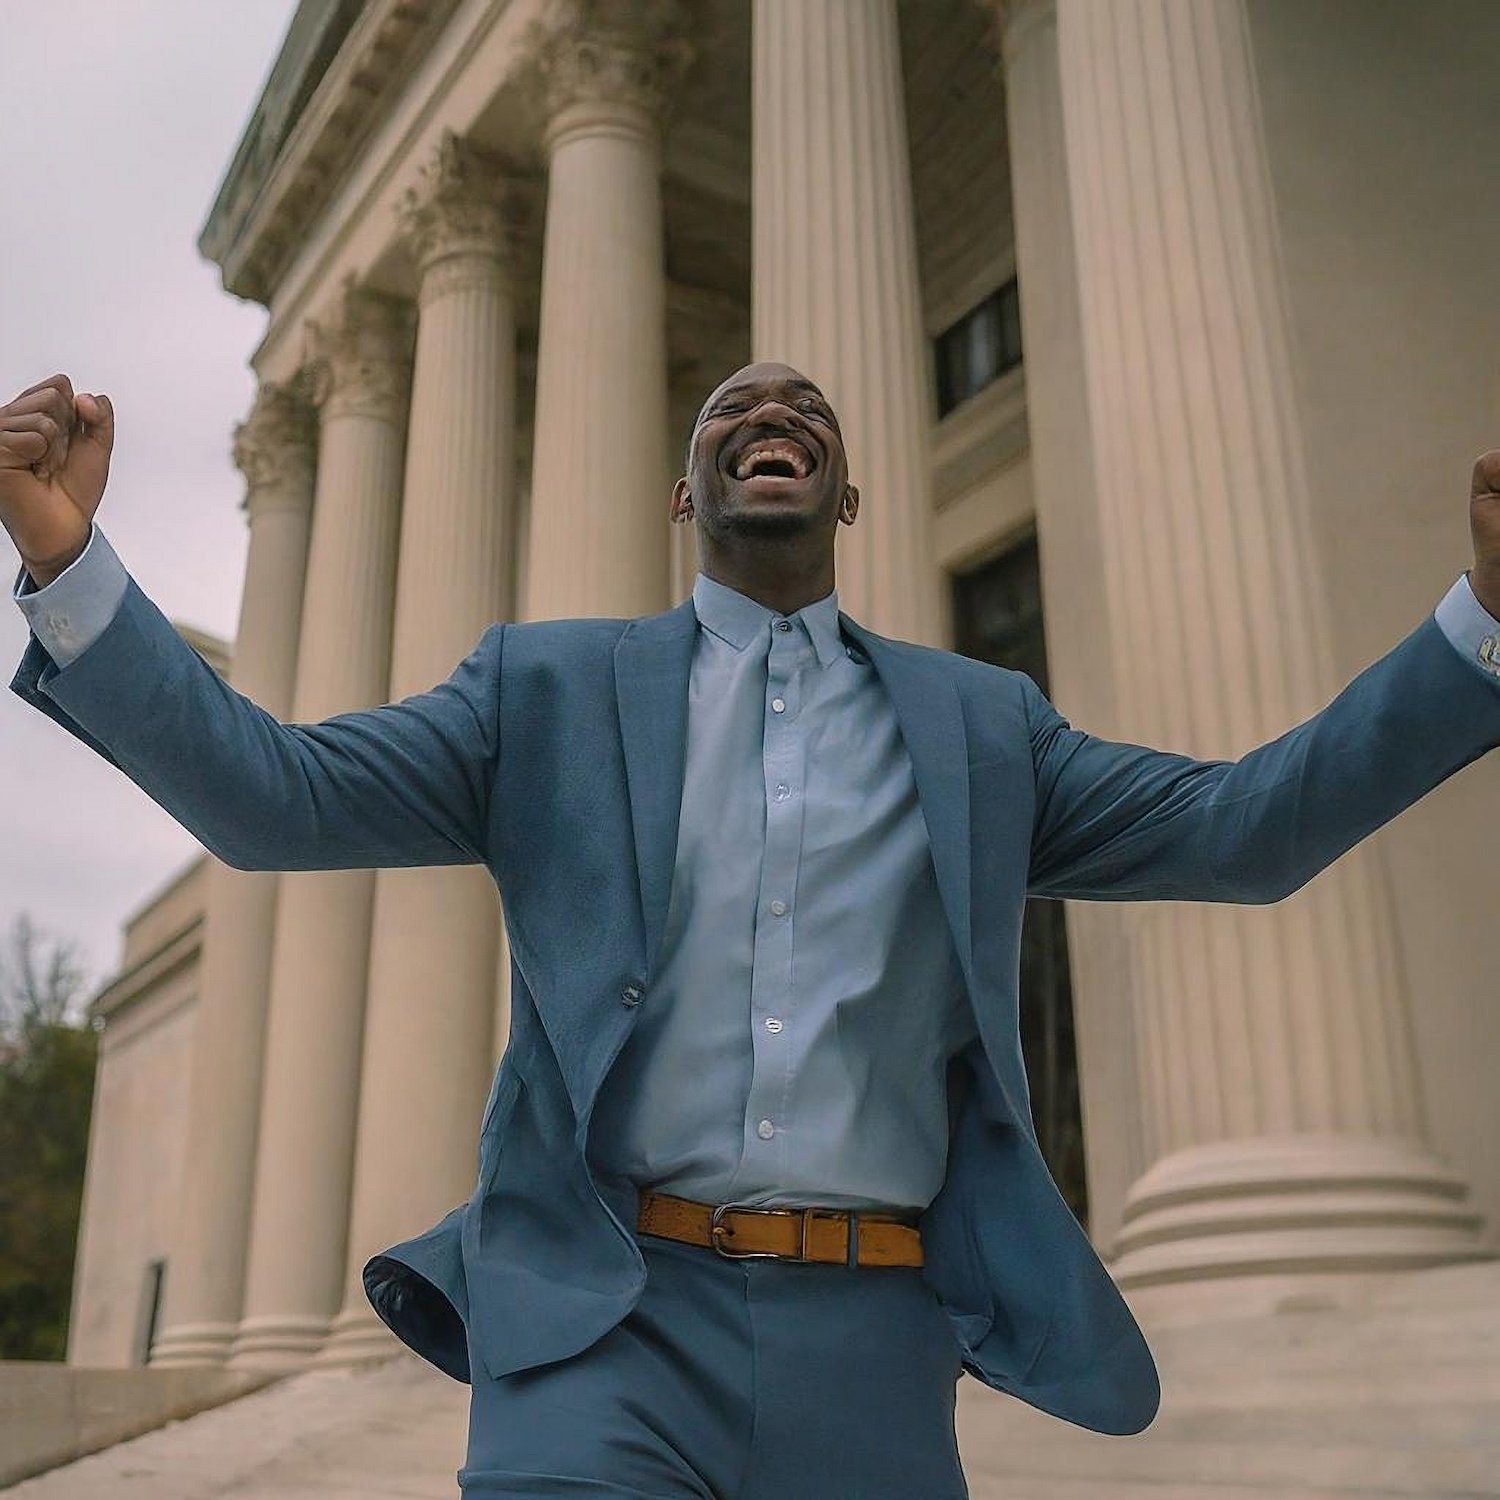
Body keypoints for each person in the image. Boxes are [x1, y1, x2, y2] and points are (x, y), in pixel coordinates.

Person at [6, 366, 1500, 1497]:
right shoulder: (543, 693)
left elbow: (1248, 831)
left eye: (806, 409)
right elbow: (281, 801)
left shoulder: (988, 731)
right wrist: (73, 568)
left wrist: (1482, 623)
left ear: (845, 493)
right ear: (686, 490)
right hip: (604, 1327)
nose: (770, 411)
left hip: (876, 1337)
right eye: (733, 406)